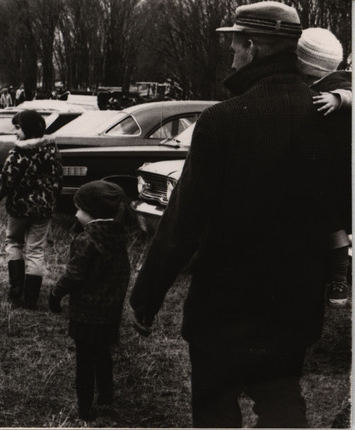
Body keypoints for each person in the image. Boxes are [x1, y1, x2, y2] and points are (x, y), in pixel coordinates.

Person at [128, 2, 337, 427]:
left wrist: (146, 296)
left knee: (215, 407)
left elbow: (183, 222)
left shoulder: (223, 121)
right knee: (281, 401)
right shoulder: (331, 120)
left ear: (254, 48)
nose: (231, 55)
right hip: (293, 306)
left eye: (235, 45)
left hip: (225, 308)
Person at [48, 180, 134, 421]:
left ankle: (85, 409)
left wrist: (55, 294)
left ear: (92, 213)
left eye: (79, 209)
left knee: (84, 362)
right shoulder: (117, 237)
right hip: (109, 314)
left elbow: (73, 274)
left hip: (86, 314)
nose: (75, 213)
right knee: (103, 355)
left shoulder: (87, 240)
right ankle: (106, 398)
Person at [295, 27, 352, 307]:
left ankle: (339, 279)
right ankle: (335, 278)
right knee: (332, 227)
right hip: (328, 171)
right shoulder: (311, 89)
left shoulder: (338, 85)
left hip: (337, 174)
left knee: (334, 227)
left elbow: (351, 90)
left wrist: (340, 98)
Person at [0, 110, 62, 309]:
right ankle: (31, 299)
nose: (15, 133)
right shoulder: (52, 149)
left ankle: (16, 293)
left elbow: (6, 179)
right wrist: (52, 200)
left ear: (27, 129)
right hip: (43, 209)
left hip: (19, 209)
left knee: (14, 243)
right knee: (36, 250)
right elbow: (58, 179)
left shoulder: (19, 152)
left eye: (18, 128)